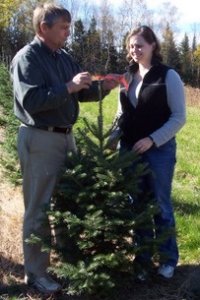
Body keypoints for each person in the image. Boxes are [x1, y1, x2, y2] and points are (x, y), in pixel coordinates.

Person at [10, 3, 117, 294]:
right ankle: (36, 274)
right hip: (40, 138)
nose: (68, 32)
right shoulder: (27, 58)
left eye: (69, 26)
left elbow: (80, 93)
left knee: (66, 204)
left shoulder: (64, 57)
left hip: (65, 137)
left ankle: (67, 265)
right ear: (43, 28)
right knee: (39, 208)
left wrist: (103, 87)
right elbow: (32, 101)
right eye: (63, 27)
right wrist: (69, 86)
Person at [110, 25, 186, 280]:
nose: (135, 50)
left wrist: (153, 140)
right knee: (137, 206)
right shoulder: (127, 75)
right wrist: (112, 137)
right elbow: (122, 112)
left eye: (140, 45)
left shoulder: (168, 76)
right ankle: (142, 261)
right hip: (129, 150)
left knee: (161, 206)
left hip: (159, 152)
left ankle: (167, 260)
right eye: (131, 46)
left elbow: (179, 118)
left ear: (153, 46)